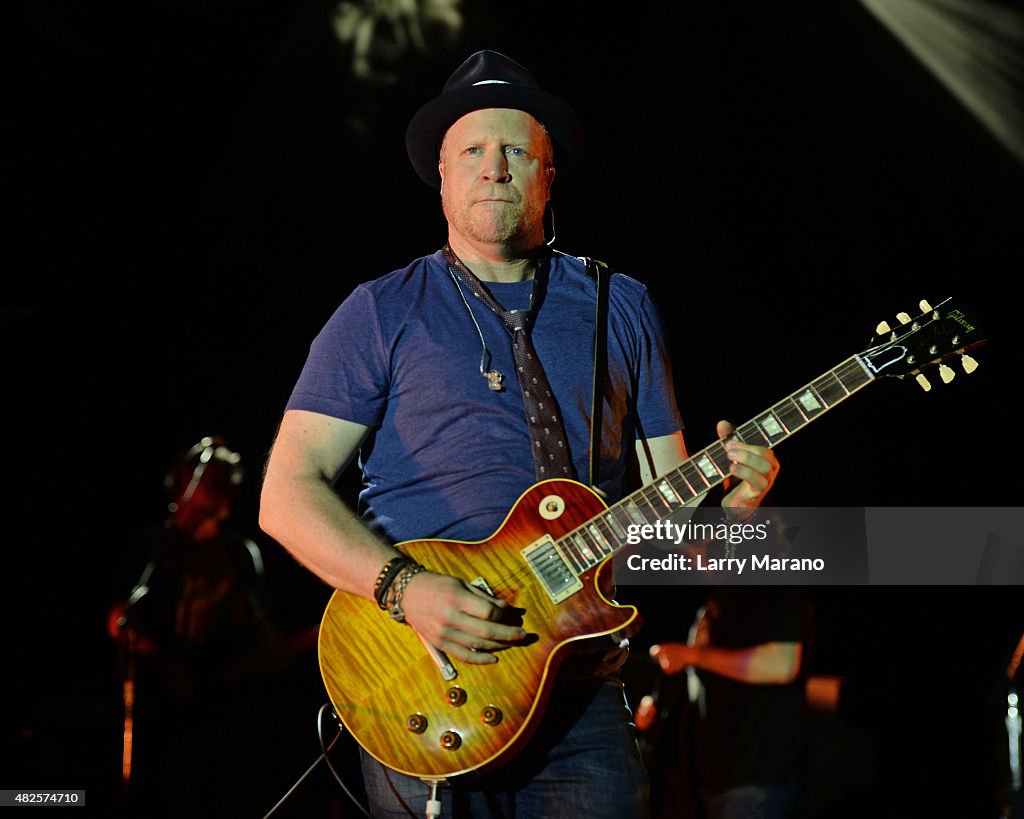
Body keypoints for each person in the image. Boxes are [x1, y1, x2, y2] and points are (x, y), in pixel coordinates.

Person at [258, 49, 780, 819]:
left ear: (548, 173)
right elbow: (285, 493)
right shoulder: (379, 310)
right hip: (424, 675)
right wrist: (405, 589)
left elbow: (675, 540)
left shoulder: (621, 304)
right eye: (472, 150)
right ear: (442, 176)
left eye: (516, 150)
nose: (493, 167)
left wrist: (737, 511)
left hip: (582, 692)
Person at [107, 435, 316, 818]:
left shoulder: (238, 553)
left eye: (229, 487)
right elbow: (119, 620)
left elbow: (262, 637)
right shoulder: (154, 547)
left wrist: (311, 638)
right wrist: (168, 665)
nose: (224, 498)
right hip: (159, 711)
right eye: (215, 485)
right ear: (185, 484)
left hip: (225, 711)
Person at [644, 585, 815, 819]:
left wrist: (692, 655)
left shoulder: (773, 585)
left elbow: (783, 665)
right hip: (712, 774)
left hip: (755, 778)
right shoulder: (718, 595)